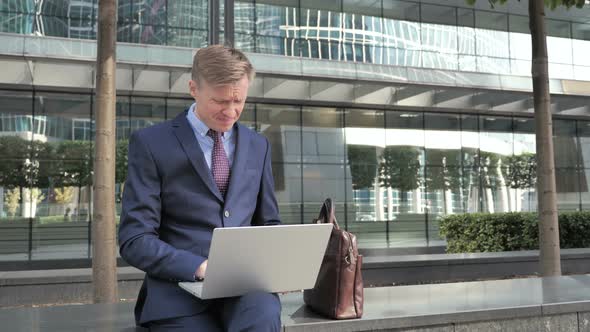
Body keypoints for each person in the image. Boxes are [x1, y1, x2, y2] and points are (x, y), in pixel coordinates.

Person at [118, 45, 282, 331]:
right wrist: (198, 267)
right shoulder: (150, 144)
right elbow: (135, 239)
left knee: (263, 317)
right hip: (177, 295)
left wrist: (280, 267)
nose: (231, 112)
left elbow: (268, 223)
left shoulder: (259, 145)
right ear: (193, 88)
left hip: (246, 291)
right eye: (220, 101)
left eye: (239, 101)